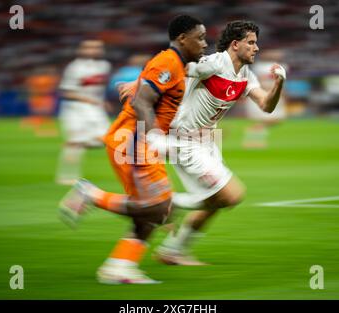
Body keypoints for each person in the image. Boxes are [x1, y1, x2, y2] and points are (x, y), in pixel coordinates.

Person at [59, 15, 207, 284]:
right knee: (158, 208)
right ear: (182, 39)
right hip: (134, 143)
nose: (205, 44)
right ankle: (90, 194)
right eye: (200, 38)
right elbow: (142, 103)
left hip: (140, 143)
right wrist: (152, 136)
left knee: (158, 211)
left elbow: (152, 97)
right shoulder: (168, 62)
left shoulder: (176, 64)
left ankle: (119, 267)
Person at [150, 20, 287, 265]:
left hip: (206, 144)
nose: (257, 48)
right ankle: (166, 204)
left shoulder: (245, 75)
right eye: (251, 43)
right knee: (232, 195)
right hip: (184, 142)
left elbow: (266, 105)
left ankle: (173, 251)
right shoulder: (213, 64)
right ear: (236, 44)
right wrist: (143, 87)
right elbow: (176, 68)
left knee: (215, 203)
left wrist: (278, 84)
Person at [56, 40, 112, 185]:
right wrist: (89, 100)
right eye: (89, 47)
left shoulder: (104, 66)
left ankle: (77, 143)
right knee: (75, 143)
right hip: (76, 108)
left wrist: (100, 101)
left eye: (97, 47)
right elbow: (66, 92)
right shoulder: (74, 68)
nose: (94, 50)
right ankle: (66, 176)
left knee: (107, 140)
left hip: (95, 109)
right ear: (81, 49)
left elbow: (98, 89)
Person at [241, 49, 288, 149]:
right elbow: (260, 81)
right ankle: (253, 140)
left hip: (276, 95)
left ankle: (254, 135)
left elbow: (282, 83)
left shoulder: (282, 66)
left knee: (276, 120)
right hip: (263, 94)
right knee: (267, 119)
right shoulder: (261, 66)